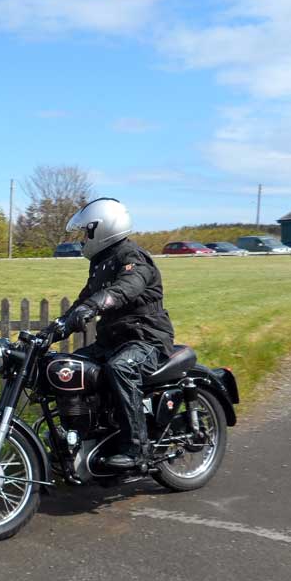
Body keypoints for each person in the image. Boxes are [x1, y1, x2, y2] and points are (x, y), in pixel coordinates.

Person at [53, 198, 175, 470]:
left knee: (120, 369)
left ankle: (137, 449)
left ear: (102, 228)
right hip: (113, 341)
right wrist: (54, 330)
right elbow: (82, 301)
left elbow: (125, 288)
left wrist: (96, 304)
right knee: (70, 368)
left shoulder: (133, 258)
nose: (83, 238)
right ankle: (82, 437)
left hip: (146, 339)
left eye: (86, 231)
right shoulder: (100, 263)